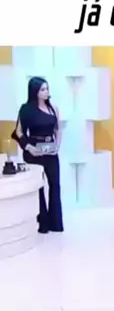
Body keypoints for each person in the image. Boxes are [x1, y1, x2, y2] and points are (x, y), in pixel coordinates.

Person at [11, 77, 64, 234]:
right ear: (35, 92)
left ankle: (55, 223)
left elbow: (58, 129)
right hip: (34, 152)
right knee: (39, 187)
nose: (46, 92)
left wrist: (57, 146)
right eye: (42, 89)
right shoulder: (26, 109)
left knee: (55, 185)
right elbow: (18, 132)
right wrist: (29, 147)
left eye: (47, 89)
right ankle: (43, 223)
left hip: (51, 151)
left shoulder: (53, 108)